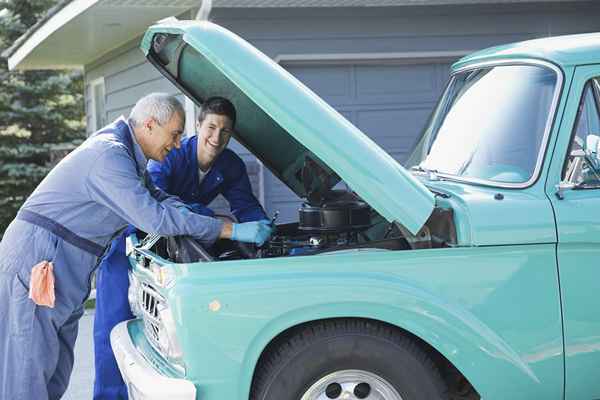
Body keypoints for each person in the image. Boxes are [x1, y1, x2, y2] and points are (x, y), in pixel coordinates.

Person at [0, 93, 273, 400]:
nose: (176, 143)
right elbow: (154, 217)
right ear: (150, 125)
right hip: (39, 260)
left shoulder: (131, 159)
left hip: (67, 265)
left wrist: (187, 211)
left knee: (55, 370)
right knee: (27, 372)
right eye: (174, 134)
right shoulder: (109, 157)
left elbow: (159, 198)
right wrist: (230, 229)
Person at [93, 97, 268, 399]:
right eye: (211, 127)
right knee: (115, 330)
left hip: (176, 256)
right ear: (198, 125)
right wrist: (218, 222)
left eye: (225, 131)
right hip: (131, 247)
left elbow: (246, 206)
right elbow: (154, 211)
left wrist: (261, 227)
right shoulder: (170, 156)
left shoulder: (230, 165)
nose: (216, 137)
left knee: (166, 343)